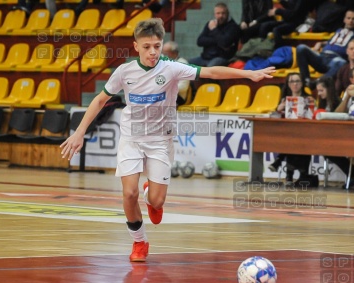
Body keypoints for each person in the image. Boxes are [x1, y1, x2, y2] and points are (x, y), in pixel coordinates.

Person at [60, 18, 274, 262]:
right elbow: (99, 100)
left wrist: (248, 73)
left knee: (157, 202)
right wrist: (79, 132)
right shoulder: (124, 71)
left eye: (157, 46)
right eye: (148, 46)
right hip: (131, 137)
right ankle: (140, 242)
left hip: (160, 140)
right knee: (129, 194)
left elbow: (211, 71)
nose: (153, 51)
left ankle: (152, 192)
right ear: (136, 47)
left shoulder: (171, 68)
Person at [296, 10, 354, 87]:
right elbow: (333, 42)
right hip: (322, 56)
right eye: (348, 18)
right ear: (344, 19)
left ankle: (318, 82)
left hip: (335, 60)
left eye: (353, 19)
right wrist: (320, 43)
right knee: (301, 48)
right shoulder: (339, 30)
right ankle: (306, 81)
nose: (351, 21)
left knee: (341, 62)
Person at [268, 73, 314, 185]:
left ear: (302, 83)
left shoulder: (308, 98)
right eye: (292, 81)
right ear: (288, 84)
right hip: (289, 132)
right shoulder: (284, 99)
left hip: (305, 133)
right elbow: (276, 117)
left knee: (294, 140)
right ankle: (288, 174)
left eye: (297, 81)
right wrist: (279, 109)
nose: (295, 84)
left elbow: (312, 117)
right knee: (290, 139)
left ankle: (280, 164)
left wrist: (312, 106)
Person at [188, 3, 241, 67]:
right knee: (185, 64)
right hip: (205, 57)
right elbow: (199, 41)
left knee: (210, 69)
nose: (221, 15)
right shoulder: (210, 23)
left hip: (222, 57)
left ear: (227, 14)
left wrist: (214, 29)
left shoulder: (233, 27)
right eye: (218, 13)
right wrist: (219, 41)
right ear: (214, 14)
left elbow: (224, 43)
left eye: (223, 13)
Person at [162, 41, 190, 105]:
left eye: (166, 53)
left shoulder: (183, 64)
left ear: (174, 53)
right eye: (162, 52)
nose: (163, 55)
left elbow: (183, 87)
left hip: (178, 96)